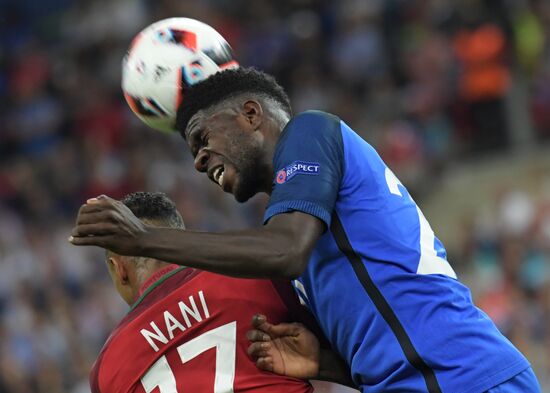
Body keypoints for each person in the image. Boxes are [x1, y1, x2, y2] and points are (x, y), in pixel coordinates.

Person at [71, 67, 539, 392]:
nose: (197, 160)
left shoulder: (309, 133)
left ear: (251, 115)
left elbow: (284, 250)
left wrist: (143, 240)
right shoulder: (296, 220)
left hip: (461, 377)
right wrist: (322, 362)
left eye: (202, 138)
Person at [89, 191, 318, 393]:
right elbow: (347, 351)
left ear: (119, 269)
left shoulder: (107, 368)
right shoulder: (256, 276)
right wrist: (323, 365)